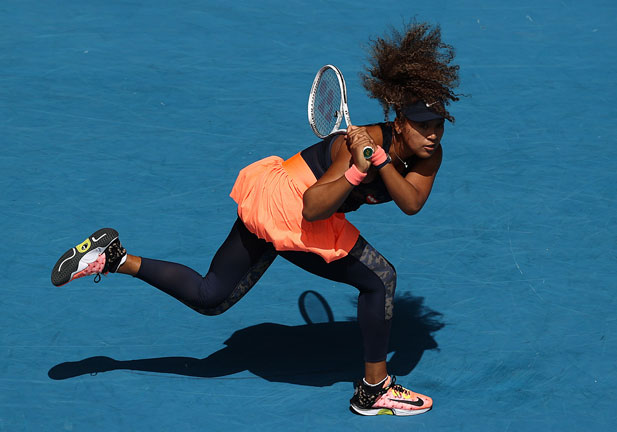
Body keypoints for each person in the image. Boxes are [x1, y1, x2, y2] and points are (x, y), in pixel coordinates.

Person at [51, 21, 460, 416]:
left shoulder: (425, 152)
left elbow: (411, 203)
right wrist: (356, 170)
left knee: (211, 297)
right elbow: (314, 207)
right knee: (380, 279)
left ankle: (114, 256)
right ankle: (374, 391)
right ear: (398, 120)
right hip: (291, 208)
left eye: (439, 125)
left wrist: (382, 162)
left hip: (281, 207)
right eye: (423, 125)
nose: (433, 134)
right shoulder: (355, 147)